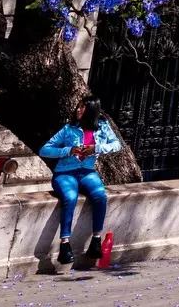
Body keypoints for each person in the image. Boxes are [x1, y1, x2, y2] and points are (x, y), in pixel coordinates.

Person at [39, 98, 121, 268]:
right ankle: (65, 244)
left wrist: (96, 148)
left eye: (83, 107)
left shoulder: (102, 127)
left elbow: (117, 145)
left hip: (87, 172)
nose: (78, 109)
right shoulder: (69, 129)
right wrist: (68, 150)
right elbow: (45, 149)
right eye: (78, 106)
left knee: (100, 195)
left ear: (91, 110)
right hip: (65, 173)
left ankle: (96, 240)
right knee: (70, 197)